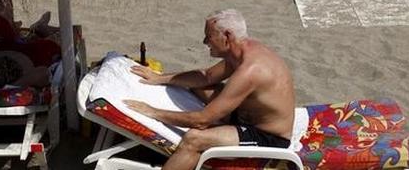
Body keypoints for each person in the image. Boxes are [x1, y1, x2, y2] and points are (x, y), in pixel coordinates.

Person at [123, 10, 295, 170]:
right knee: (199, 85)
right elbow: (206, 76)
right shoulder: (243, 50)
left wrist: (153, 112)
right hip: (247, 114)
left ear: (227, 36)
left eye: (209, 36)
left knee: (194, 139)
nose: (205, 42)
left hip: (266, 135)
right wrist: (159, 78)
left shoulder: (251, 70)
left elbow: (201, 121)